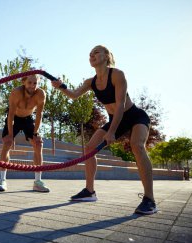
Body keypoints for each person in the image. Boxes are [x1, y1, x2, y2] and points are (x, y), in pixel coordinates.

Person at [51, 45, 157, 215]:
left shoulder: (117, 74)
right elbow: (74, 94)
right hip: (115, 119)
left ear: (106, 56)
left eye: (96, 52)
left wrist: (112, 131)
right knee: (89, 148)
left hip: (134, 116)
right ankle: (89, 191)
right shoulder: (90, 82)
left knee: (137, 145)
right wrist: (60, 86)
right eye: (90, 54)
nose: (92, 55)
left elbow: (121, 105)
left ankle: (149, 199)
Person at [0, 74, 50, 192]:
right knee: (7, 144)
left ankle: (37, 182)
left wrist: (35, 134)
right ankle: (2, 180)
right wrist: (10, 134)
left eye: (35, 83)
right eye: (30, 83)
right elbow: (10, 114)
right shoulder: (16, 92)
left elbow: (39, 115)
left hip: (28, 119)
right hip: (14, 118)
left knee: (38, 144)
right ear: (24, 82)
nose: (32, 86)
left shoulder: (41, 94)